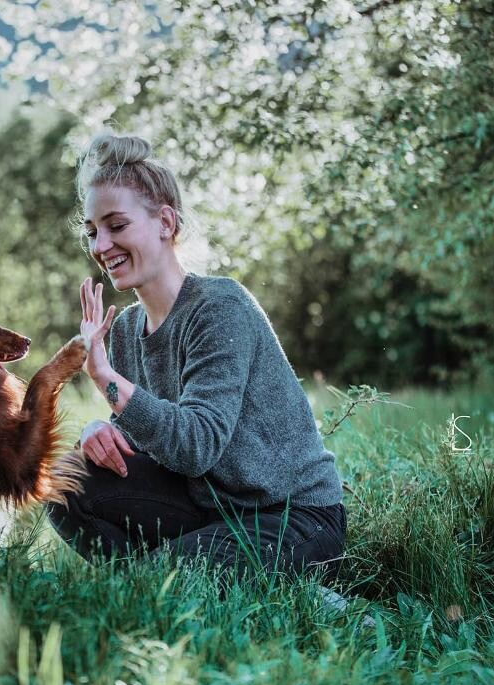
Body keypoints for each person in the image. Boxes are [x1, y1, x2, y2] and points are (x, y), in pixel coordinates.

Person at [46, 130, 347, 585]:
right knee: (67, 480)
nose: (100, 246)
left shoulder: (219, 308)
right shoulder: (125, 330)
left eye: (116, 225)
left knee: (162, 584)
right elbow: (157, 445)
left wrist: (105, 378)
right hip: (209, 507)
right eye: (92, 232)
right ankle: (184, 575)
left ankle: (306, 594)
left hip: (294, 517)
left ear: (165, 223)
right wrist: (97, 432)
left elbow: (196, 444)